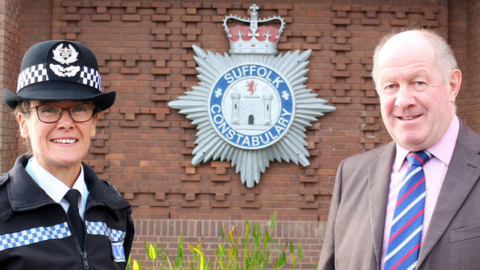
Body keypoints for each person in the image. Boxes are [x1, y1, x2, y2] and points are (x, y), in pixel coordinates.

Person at [318, 29, 480, 270]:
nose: (403, 101)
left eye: (419, 82)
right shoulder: (351, 174)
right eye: (391, 86)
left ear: (453, 85)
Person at [0, 40, 134, 269]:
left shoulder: (114, 210)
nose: (66, 123)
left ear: (94, 123)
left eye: (79, 109)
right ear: (23, 124)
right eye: (48, 109)